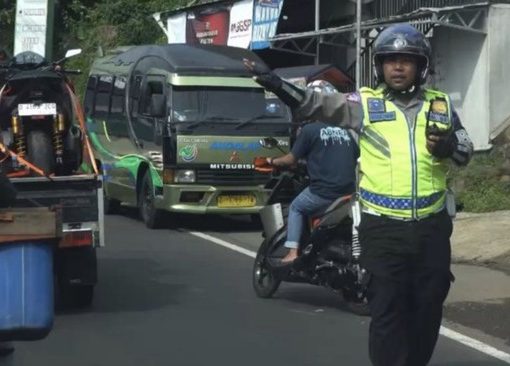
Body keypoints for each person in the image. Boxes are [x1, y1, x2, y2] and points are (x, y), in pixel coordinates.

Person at [245, 23, 473, 366]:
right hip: (382, 230)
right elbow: (315, 105)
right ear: (380, 66)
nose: (397, 67)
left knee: (428, 307)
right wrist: (276, 84)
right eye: (390, 59)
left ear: (420, 66)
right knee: (386, 309)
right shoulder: (363, 104)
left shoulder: (439, 105)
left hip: (431, 229)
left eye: (406, 60)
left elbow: (466, 151)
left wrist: (449, 146)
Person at [268, 79, 359, 263]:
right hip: (348, 192)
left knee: (296, 207)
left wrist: (272, 161)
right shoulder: (347, 132)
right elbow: (353, 155)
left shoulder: (309, 130)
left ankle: (293, 252)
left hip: (324, 192)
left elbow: (290, 159)